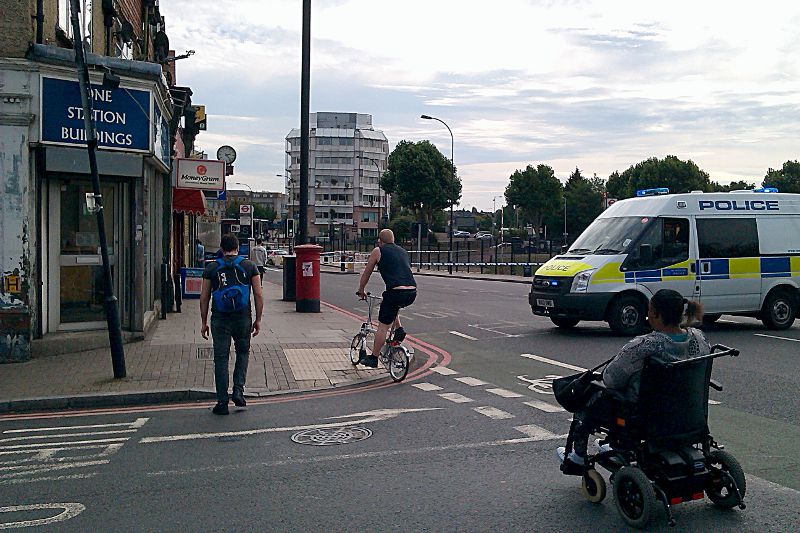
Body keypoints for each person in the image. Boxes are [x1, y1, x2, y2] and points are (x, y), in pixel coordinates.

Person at [557, 289, 711, 475]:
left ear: (654, 314)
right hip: (690, 413)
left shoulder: (643, 346)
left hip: (648, 417)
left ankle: (578, 458)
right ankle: (613, 447)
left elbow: (610, 379)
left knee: (589, 397)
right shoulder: (699, 338)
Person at [200, 234, 263, 415]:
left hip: (220, 318)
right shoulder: (249, 266)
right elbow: (258, 294)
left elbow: (204, 297)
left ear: (221, 249)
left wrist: (204, 322)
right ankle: (238, 391)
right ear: (237, 247)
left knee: (221, 358)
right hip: (243, 318)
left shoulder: (211, 268)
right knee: (242, 352)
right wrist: (258, 319)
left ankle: (222, 402)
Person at [356, 229, 417, 368]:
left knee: (383, 326)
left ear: (380, 240)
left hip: (395, 292)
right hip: (412, 292)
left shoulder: (378, 250)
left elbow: (367, 273)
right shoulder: (403, 251)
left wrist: (361, 290)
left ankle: (373, 358)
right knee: (390, 304)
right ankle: (399, 330)